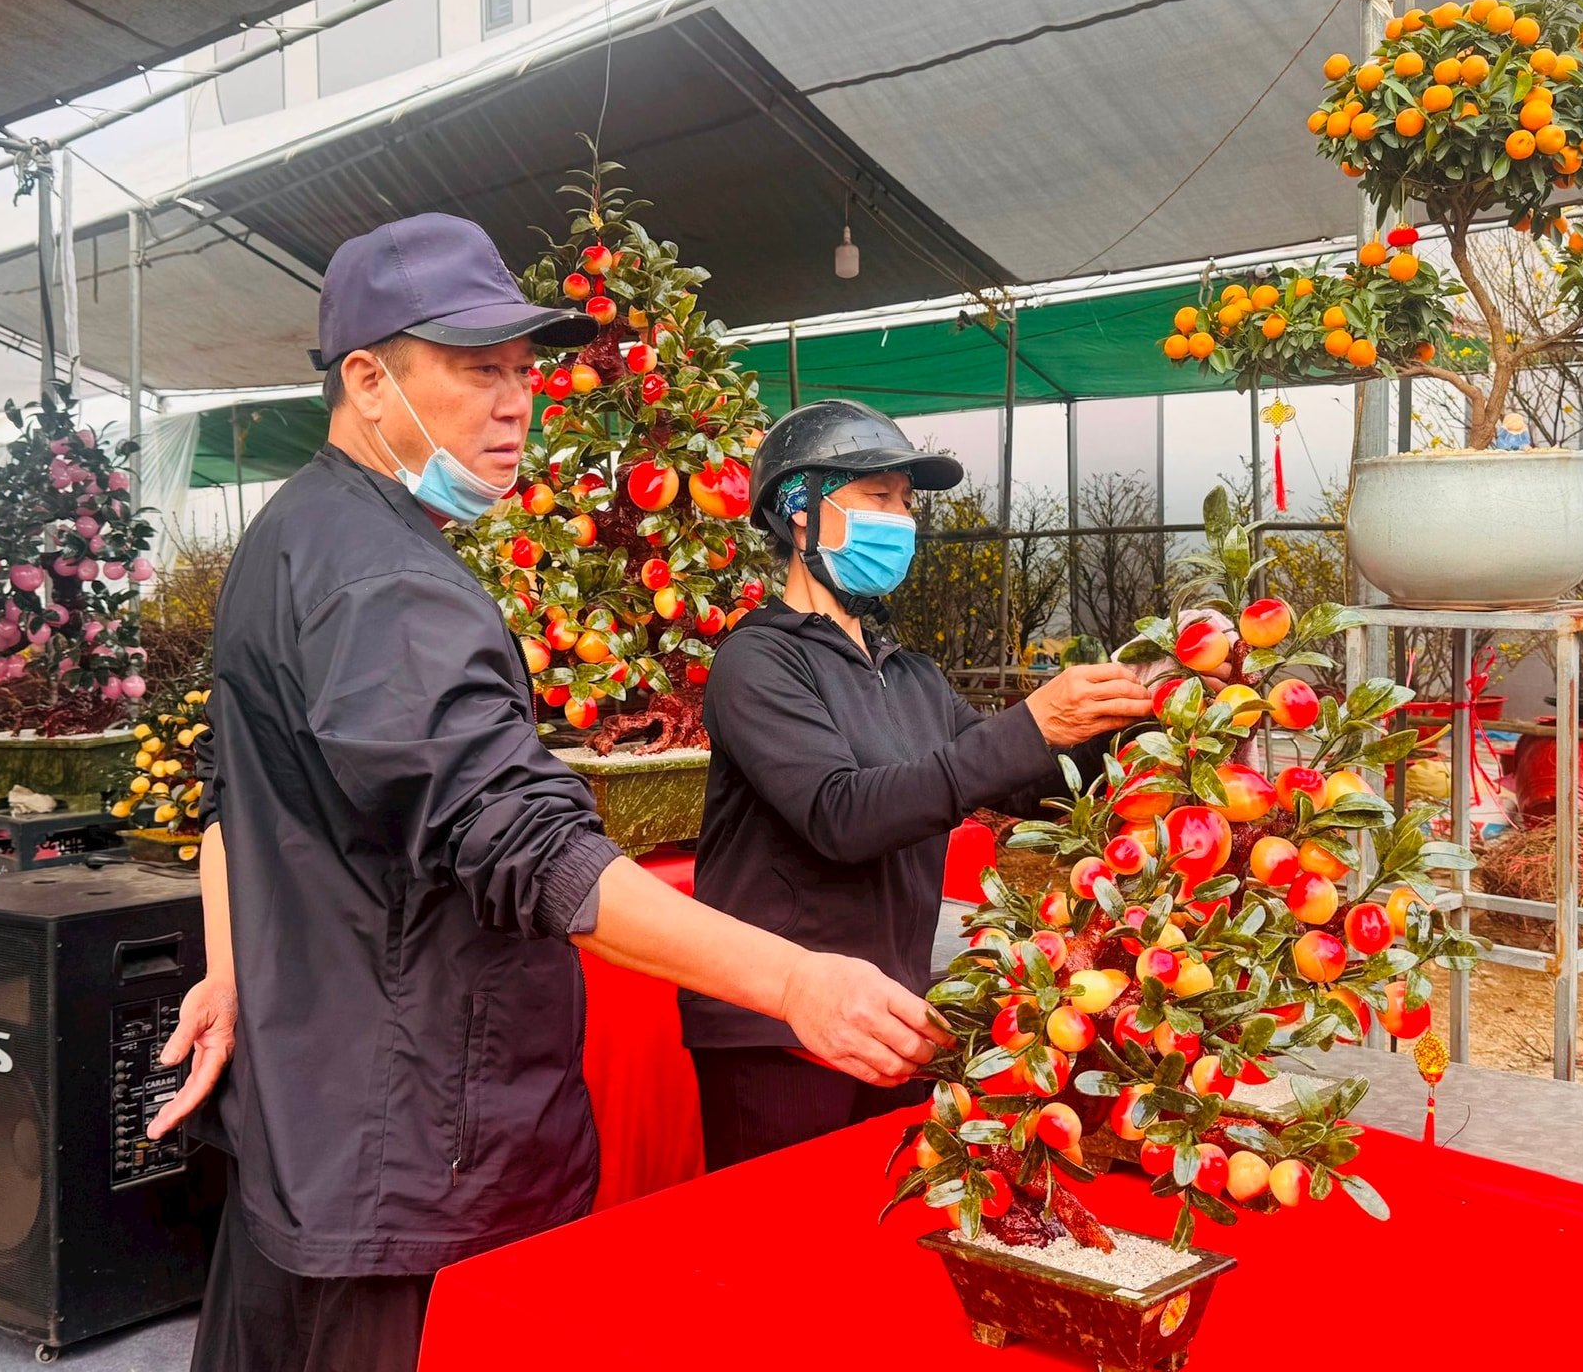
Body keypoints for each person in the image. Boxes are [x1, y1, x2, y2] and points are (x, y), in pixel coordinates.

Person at [142, 216, 944, 1372]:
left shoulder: (293, 540)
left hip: (316, 1127)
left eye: (524, 371)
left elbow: (237, 804)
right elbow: (523, 841)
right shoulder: (384, 586)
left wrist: (233, 971)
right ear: (369, 380)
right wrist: (793, 980)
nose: (517, 402)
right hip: (412, 1154)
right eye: (477, 371)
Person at [681, 399, 1165, 1169]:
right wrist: (1032, 723)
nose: (901, 520)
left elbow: (1016, 782)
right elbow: (840, 814)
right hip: (779, 1028)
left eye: (906, 503)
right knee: (784, 1249)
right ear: (800, 511)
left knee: (880, 1238)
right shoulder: (757, 663)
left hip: (892, 1013)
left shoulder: (907, 672)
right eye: (878, 497)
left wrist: (1144, 723)